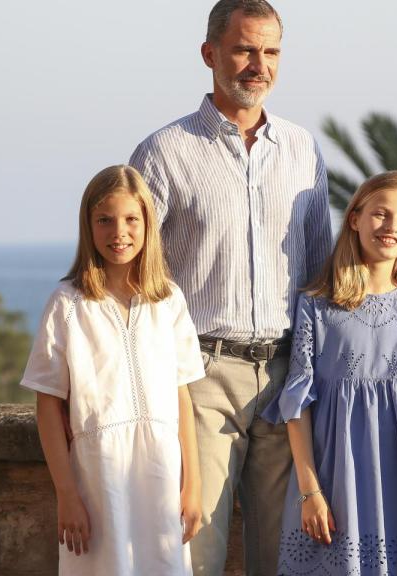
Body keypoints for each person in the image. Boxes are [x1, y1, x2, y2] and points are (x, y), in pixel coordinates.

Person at [128, 1, 332, 573]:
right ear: (209, 54)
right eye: (244, 49)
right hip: (201, 376)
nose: (257, 65)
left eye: (270, 52)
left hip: (288, 376)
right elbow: (137, 276)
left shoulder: (303, 151)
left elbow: (320, 273)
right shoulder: (163, 153)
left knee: (283, 555)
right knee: (196, 548)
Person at [262, 170, 397, 576]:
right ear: (354, 218)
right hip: (333, 482)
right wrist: (309, 492)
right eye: (380, 214)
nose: (392, 227)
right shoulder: (318, 306)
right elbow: (297, 405)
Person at [20, 165, 204, 575]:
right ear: (88, 226)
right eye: (105, 220)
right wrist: (67, 494)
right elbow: (48, 405)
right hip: (98, 479)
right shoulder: (67, 304)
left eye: (130, 219)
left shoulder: (168, 300)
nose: (118, 232)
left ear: (147, 224)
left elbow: (182, 396)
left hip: (160, 474)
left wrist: (192, 485)